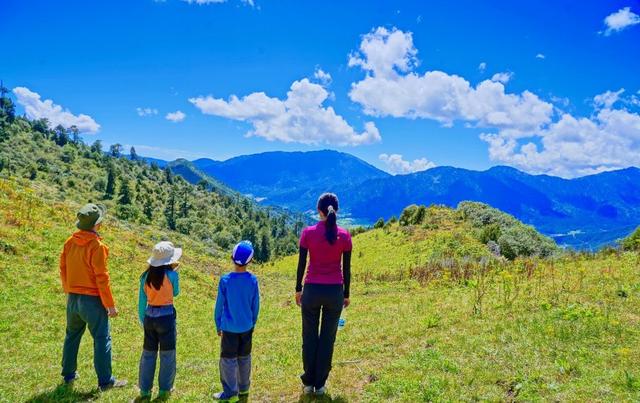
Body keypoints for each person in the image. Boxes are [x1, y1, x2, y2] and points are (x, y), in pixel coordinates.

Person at [59, 203, 127, 390]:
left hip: (73, 298)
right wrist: (110, 305)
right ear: (97, 225)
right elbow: (101, 278)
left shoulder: (69, 242)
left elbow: (63, 268)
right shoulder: (97, 246)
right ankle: (105, 381)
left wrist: (69, 289)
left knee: (72, 335)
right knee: (101, 338)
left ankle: (68, 374)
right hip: (92, 300)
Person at [295, 193, 352, 396]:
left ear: (319, 211)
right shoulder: (345, 236)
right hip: (334, 292)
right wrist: (346, 294)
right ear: (336, 210)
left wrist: (298, 289)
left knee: (309, 336)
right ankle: (320, 386)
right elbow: (347, 269)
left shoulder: (308, 233)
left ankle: (308, 382)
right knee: (328, 338)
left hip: (311, 290)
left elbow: (302, 264)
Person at [213, 241, 260, 403]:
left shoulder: (225, 280)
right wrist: (252, 322)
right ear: (250, 261)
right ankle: (244, 388)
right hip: (247, 327)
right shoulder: (253, 280)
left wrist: (218, 324)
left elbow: (219, 305)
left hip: (229, 329)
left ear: (232, 258)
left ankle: (230, 392)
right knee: (244, 357)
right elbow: (256, 306)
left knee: (228, 360)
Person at [137, 241, 181, 400]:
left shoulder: (145, 276)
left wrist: (143, 318)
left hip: (150, 316)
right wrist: (176, 274)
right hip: (166, 317)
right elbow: (175, 293)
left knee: (148, 354)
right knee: (167, 354)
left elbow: (142, 300)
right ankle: (164, 389)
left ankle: (145, 390)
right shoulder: (172, 275)